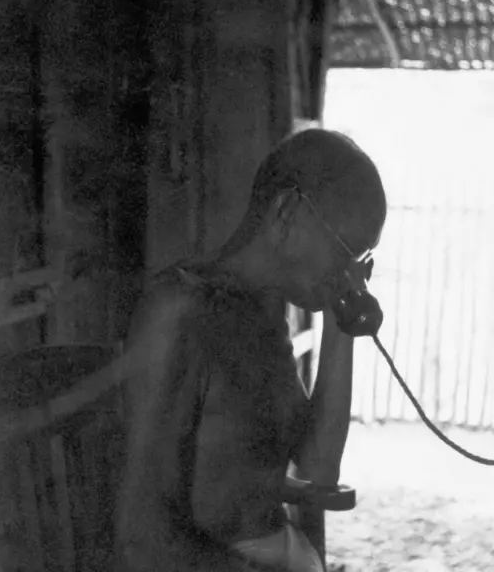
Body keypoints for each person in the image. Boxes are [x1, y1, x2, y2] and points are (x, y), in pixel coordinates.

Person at [115, 128, 387, 572]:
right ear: (286, 212)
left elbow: (318, 469)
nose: (351, 279)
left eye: (362, 264)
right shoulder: (182, 311)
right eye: (346, 255)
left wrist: (343, 327)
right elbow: (142, 536)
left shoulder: (263, 317)